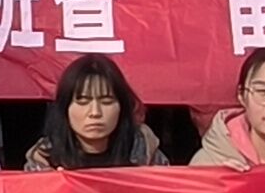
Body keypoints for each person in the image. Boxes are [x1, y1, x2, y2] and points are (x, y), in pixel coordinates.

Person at [22, 56, 166, 170]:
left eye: (106, 101)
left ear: (122, 107)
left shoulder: (143, 149)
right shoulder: (45, 157)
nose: (95, 112)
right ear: (65, 108)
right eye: (83, 101)